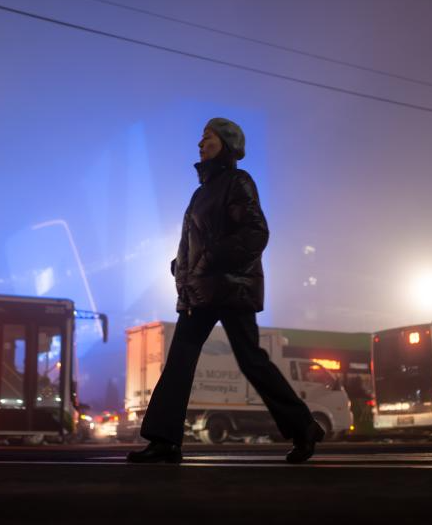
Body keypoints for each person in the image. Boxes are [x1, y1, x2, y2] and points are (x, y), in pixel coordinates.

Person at [127, 118, 324, 464]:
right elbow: (202, 238)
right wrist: (182, 263)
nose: (200, 144)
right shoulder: (202, 192)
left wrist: (209, 259)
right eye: (201, 138)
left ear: (227, 144)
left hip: (231, 288)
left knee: (250, 361)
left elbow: (255, 234)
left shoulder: (238, 181)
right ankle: (164, 441)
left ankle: (304, 427)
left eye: (208, 138)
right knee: (179, 362)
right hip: (201, 289)